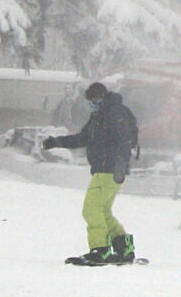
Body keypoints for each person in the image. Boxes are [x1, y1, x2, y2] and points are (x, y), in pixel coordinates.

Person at [44, 81, 141, 266]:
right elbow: (83, 138)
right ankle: (124, 249)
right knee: (103, 211)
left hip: (109, 169)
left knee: (91, 209)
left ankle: (100, 250)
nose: (93, 102)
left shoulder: (114, 113)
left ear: (103, 96)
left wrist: (120, 165)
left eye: (95, 99)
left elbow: (124, 141)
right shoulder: (100, 115)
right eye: (90, 100)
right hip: (107, 170)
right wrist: (56, 142)